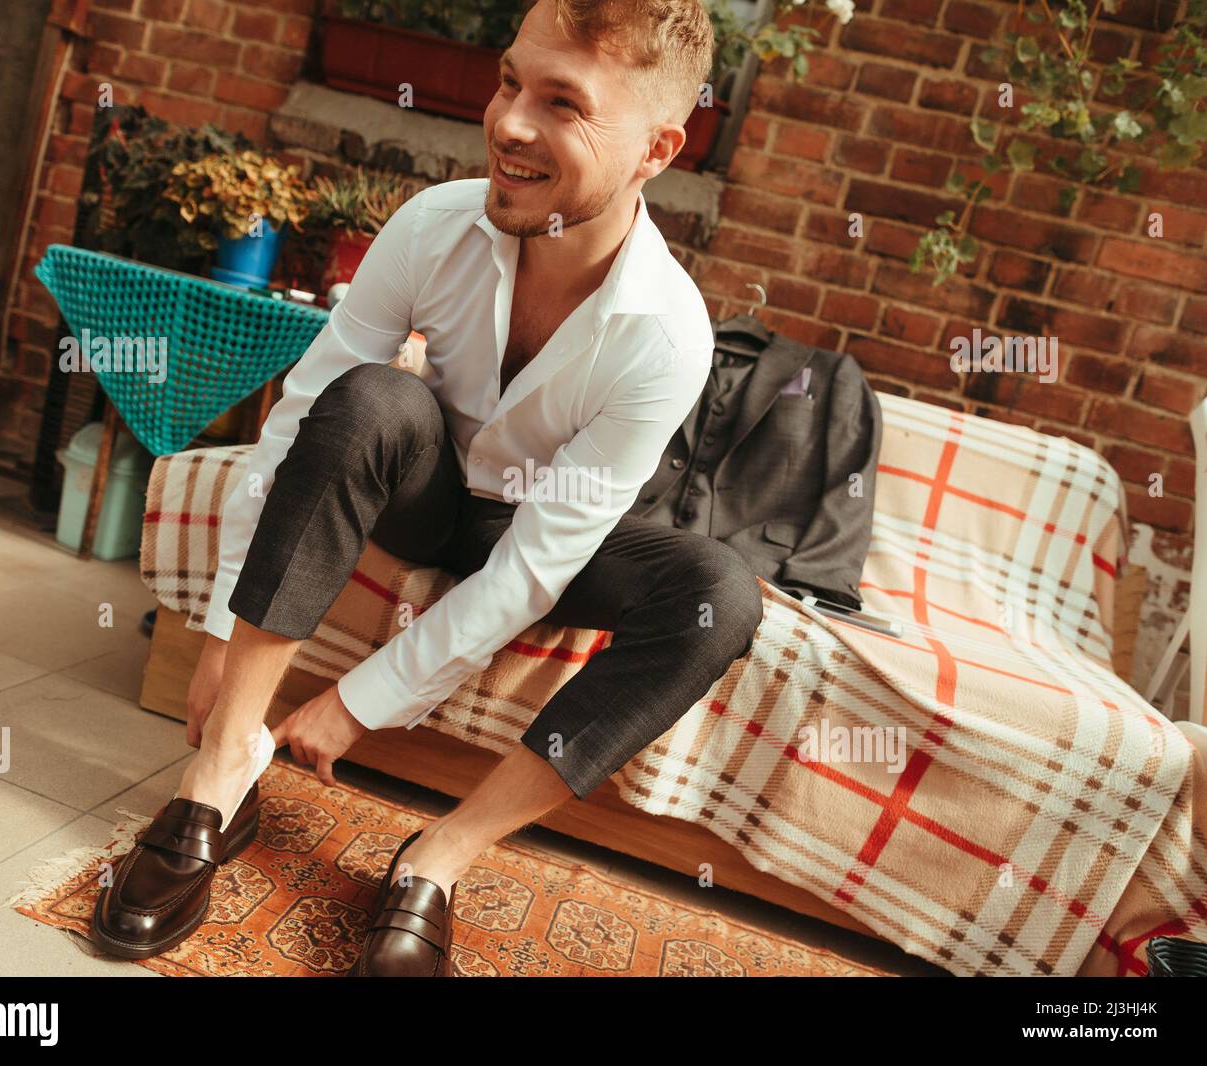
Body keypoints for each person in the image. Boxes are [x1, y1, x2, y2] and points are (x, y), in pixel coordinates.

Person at [92, 0, 765, 976]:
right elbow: (302, 421)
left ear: (657, 148)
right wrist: (221, 637)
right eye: (508, 82)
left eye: (562, 103)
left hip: (544, 537)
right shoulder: (432, 225)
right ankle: (220, 774)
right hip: (431, 492)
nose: (510, 124)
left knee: (720, 595)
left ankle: (439, 854)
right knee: (369, 399)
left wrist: (360, 702)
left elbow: (538, 564)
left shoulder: (664, 334)